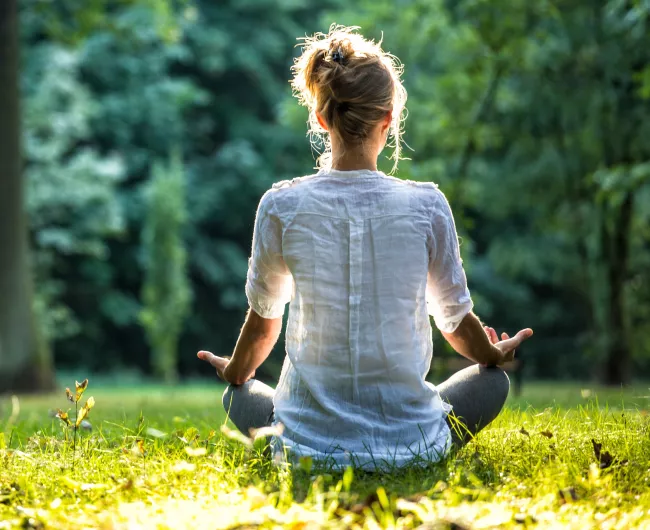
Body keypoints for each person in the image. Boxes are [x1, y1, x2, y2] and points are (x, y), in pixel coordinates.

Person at [198, 25, 533, 470]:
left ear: (321, 118)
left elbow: (263, 326)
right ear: (388, 119)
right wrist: (492, 354)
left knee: (236, 395)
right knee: (493, 385)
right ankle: (415, 447)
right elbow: (454, 322)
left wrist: (236, 371)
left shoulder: (281, 205)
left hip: (305, 449)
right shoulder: (427, 205)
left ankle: (304, 437)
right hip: (411, 443)